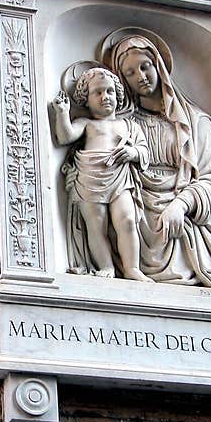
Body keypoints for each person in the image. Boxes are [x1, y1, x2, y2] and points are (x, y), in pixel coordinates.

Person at [105, 30, 211, 288]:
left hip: (184, 216)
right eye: (130, 73)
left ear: (158, 66)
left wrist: (180, 204)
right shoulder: (122, 126)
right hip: (138, 212)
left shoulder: (197, 123)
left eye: (145, 67)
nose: (141, 77)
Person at [51, 67, 151, 281]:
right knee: (96, 225)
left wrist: (132, 152)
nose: (105, 97)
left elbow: (144, 152)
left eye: (109, 91)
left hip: (120, 178)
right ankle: (106, 267)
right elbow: (64, 137)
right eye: (97, 92)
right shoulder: (86, 124)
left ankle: (132, 268)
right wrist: (62, 113)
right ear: (86, 99)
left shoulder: (129, 126)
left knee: (126, 220)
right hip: (89, 178)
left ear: (118, 94)